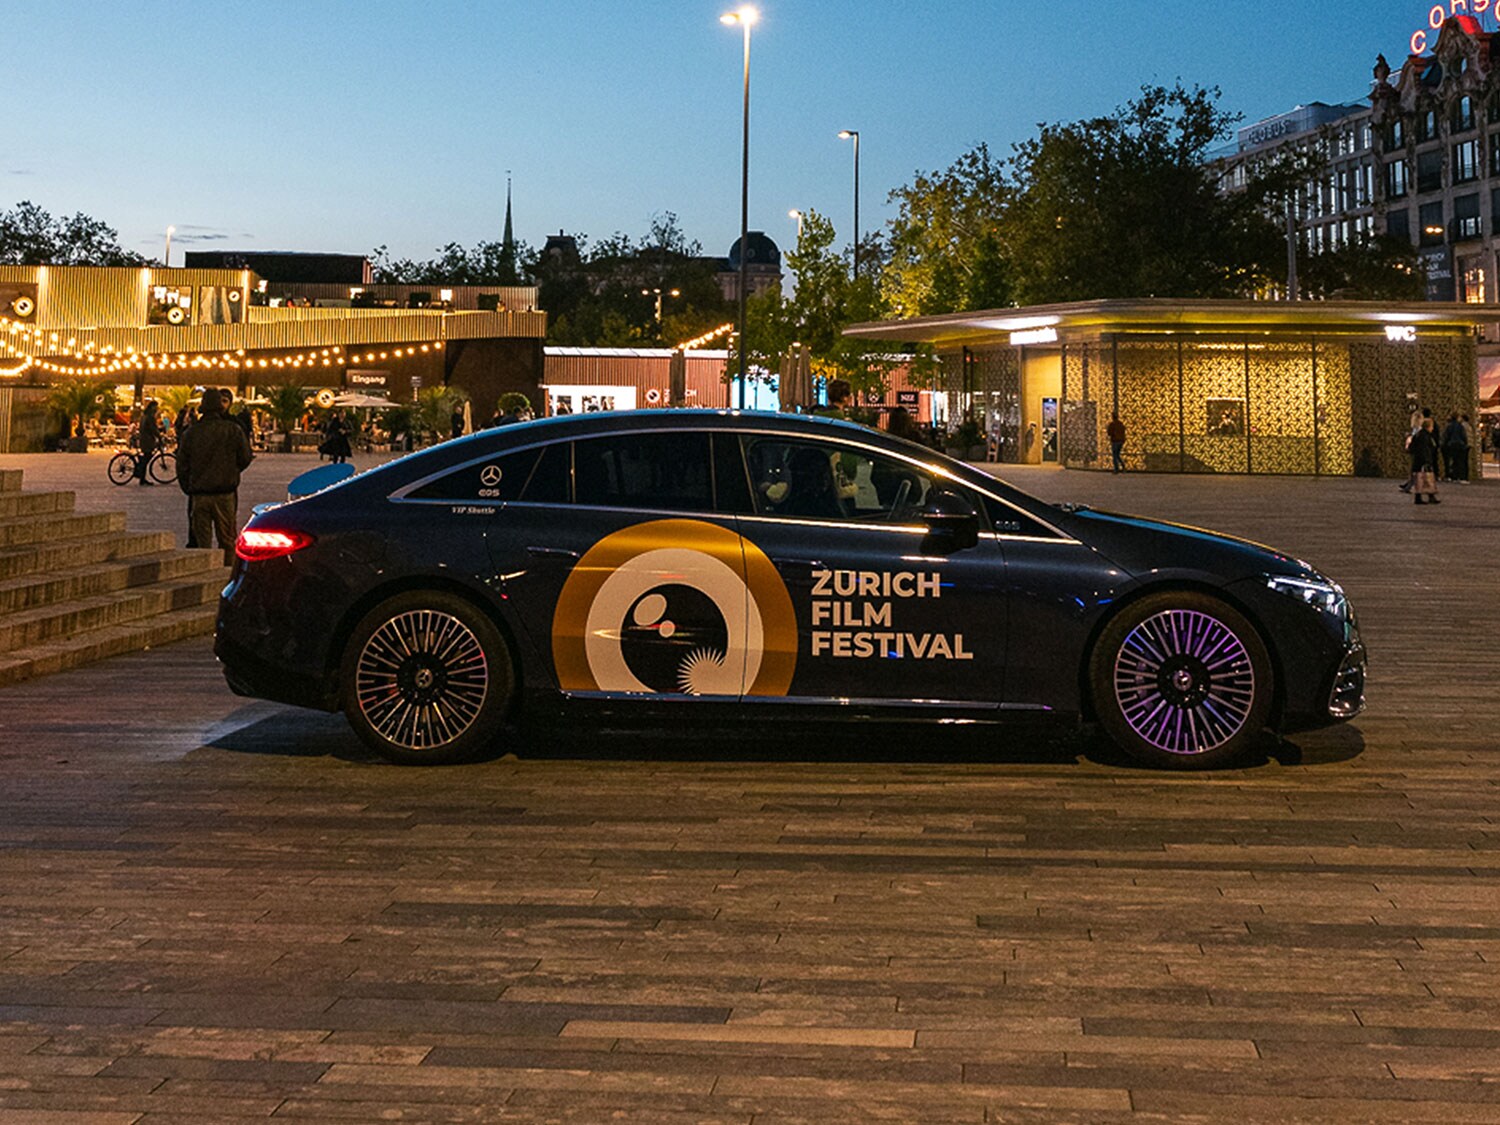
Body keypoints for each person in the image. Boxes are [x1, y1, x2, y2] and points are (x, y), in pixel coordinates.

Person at [176, 387, 254, 565]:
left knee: (202, 544)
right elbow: (245, 457)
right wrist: (231, 472)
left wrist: (188, 487)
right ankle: (226, 575)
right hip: (224, 493)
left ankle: (206, 573)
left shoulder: (191, 433)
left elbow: (182, 464)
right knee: (227, 541)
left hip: (200, 494)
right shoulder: (233, 430)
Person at [1409, 416, 1441, 505]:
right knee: (1425, 479)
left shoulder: (1419, 435)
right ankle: (1426, 496)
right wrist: (1426, 460)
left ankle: (1427, 496)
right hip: (1423, 460)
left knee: (1423, 479)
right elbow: (1424, 449)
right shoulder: (1425, 436)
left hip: (1419, 460)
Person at [134, 400, 160, 486]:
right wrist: (159, 436)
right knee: (146, 458)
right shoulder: (150, 417)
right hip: (148, 440)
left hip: (143, 439)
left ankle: (141, 475)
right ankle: (141, 475)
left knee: (145, 457)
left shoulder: (144, 415)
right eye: (156, 406)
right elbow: (153, 428)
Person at [1442, 412, 1469, 483]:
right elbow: (1463, 436)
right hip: (1460, 445)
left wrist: (1445, 444)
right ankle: (1461, 476)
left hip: (1451, 445)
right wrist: (1465, 443)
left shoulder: (1449, 426)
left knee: (1453, 461)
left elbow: (1446, 436)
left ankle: (1454, 476)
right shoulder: (1460, 426)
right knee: (1460, 461)